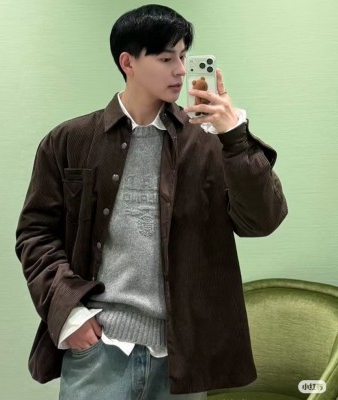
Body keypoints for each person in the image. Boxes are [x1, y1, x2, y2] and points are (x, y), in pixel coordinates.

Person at [15, 4, 288, 399]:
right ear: (128, 62)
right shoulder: (70, 140)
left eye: (183, 56)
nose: (180, 70)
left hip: (183, 359)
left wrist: (235, 138)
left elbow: (262, 221)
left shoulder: (210, 141)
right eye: (165, 58)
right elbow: (35, 234)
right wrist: (71, 314)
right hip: (100, 351)